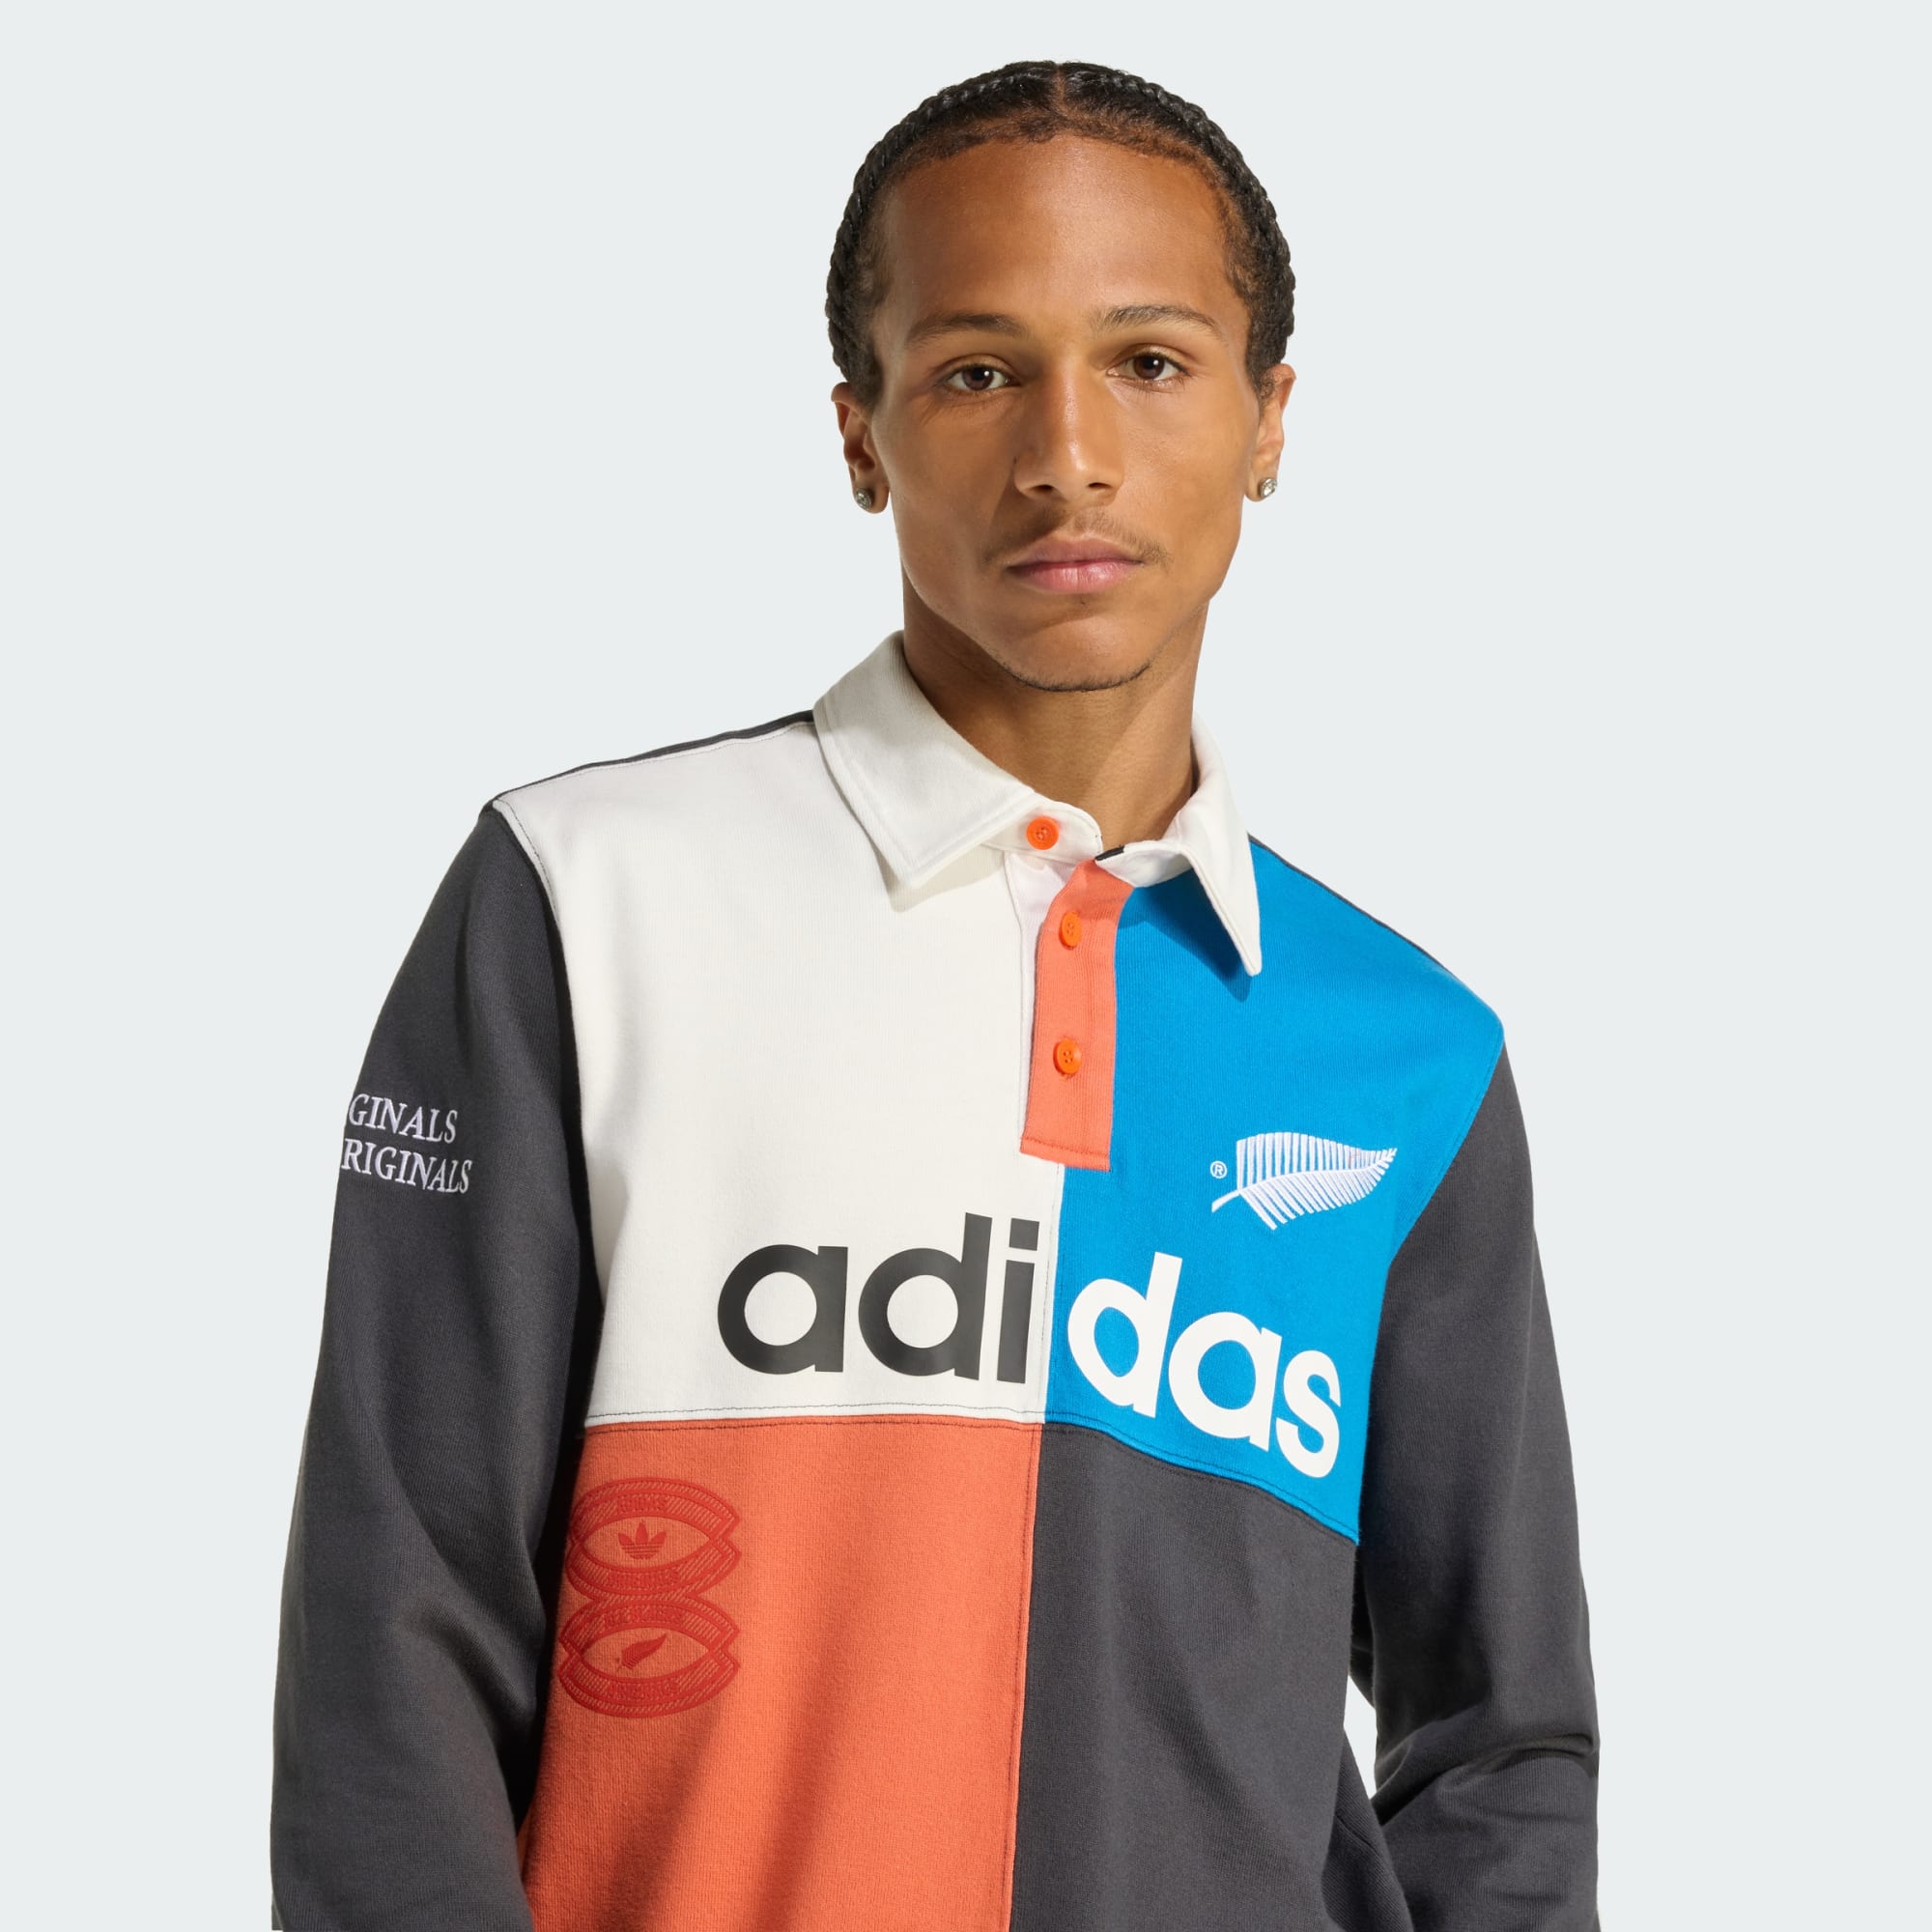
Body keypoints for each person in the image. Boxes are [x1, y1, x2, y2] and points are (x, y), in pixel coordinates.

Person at [270, 58, 1601, 1932]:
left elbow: (1504, 1738)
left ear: (1270, 418)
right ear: (860, 431)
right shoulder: (585, 897)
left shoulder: (1408, 1050)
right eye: (978, 370)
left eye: (1150, 361)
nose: (1068, 452)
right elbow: (395, 1623)